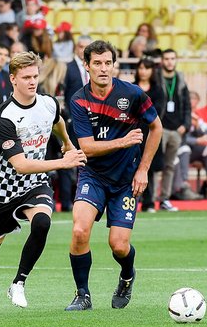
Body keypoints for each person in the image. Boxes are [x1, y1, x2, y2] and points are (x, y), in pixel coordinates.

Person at [0, 51, 86, 313]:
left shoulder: (48, 103)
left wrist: (67, 144)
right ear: (13, 79)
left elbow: (57, 121)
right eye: (26, 77)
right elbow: (20, 165)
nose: (32, 82)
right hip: (4, 189)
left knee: (42, 222)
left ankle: (19, 282)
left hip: (36, 182)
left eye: (35, 76)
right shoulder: (4, 116)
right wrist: (64, 162)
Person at [65, 40, 163, 311]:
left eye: (108, 62)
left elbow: (156, 127)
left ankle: (127, 275)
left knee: (119, 246)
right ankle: (82, 295)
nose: (103, 68)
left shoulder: (132, 94)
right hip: (93, 176)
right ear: (87, 66)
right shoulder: (79, 100)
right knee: (79, 230)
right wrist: (123, 141)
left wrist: (143, 169)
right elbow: (87, 148)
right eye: (97, 63)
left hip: (125, 181)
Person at [158, 49, 191, 212]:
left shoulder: (181, 79)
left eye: (172, 58)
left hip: (177, 130)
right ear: (162, 60)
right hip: (160, 129)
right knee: (154, 164)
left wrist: (185, 124)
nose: (169, 61)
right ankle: (147, 198)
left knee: (169, 165)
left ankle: (164, 198)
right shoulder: (157, 78)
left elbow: (187, 104)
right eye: (166, 58)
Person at [133, 57, 165, 212]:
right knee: (131, 166)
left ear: (152, 71)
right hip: (134, 132)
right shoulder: (132, 88)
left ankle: (149, 201)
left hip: (151, 132)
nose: (143, 71)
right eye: (140, 68)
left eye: (146, 68)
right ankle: (131, 200)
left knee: (149, 168)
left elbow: (156, 112)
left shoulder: (158, 89)